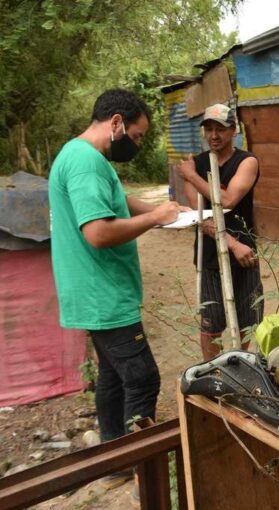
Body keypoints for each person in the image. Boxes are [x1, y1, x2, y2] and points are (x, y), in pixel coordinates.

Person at [49, 89, 181, 484]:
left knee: (112, 375)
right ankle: (145, 472)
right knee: (142, 377)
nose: (137, 145)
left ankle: (113, 458)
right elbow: (99, 232)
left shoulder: (80, 155)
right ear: (117, 123)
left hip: (93, 293)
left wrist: (171, 212)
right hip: (104, 295)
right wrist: (157, 217)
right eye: (137, 136)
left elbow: (117, 199)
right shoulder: (87, 164)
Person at [177, 103, 263, 361]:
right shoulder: (197, 164)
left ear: (233, 130)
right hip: (211, 255)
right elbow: (200, 216)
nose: (214, 135)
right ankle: (212, 369)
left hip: (245, 252)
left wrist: (191, 176)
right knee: (211, 323)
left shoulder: (246, 161)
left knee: (249, 318)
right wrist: (229, 243)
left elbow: (225, 201)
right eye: (209, 129)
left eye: (220, 129)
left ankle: (240, 366)